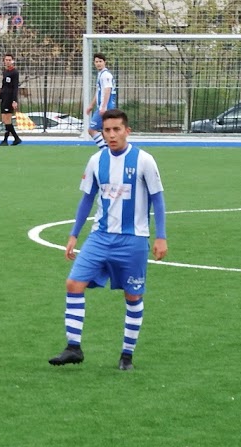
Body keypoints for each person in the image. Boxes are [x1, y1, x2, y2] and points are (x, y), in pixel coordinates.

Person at [49, 109, 167, 371]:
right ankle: (73, 347)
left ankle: (127, 356)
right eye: (107, 130)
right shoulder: (96, 161)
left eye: (116, 129)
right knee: (73, 283)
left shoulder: (144, 160)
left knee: (133, 296)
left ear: (127, 131)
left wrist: (161, 236)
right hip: (100, 237)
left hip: (133, 239)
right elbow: (87, 199)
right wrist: (74, 234)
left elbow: (158, 199)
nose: (111, 135)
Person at [85, 53, 117, 150]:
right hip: (104, 107)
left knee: (91, 130)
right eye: (96, 62)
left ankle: (105, 151)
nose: (98, 63)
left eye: (100, 61)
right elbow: (99, 92)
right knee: (105, 131)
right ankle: (109, 151)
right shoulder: (101, 74)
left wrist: (103, 107)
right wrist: (91, 105)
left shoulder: (106, 75)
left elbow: (107, 90)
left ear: (104, 62)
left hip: (105, 108)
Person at [0, 53, 21, 146]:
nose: (8, 61)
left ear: (12, 61)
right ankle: (16, 138)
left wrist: (14, 100)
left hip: (10, 98)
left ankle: (7, 140)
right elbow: (4, 86)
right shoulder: (5, 72)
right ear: (4, 61)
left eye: (9, 60)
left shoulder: (15, 72)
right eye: (6, 60)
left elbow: (15, 88)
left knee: (7, 120)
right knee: (4, 120)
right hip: (4, 98)